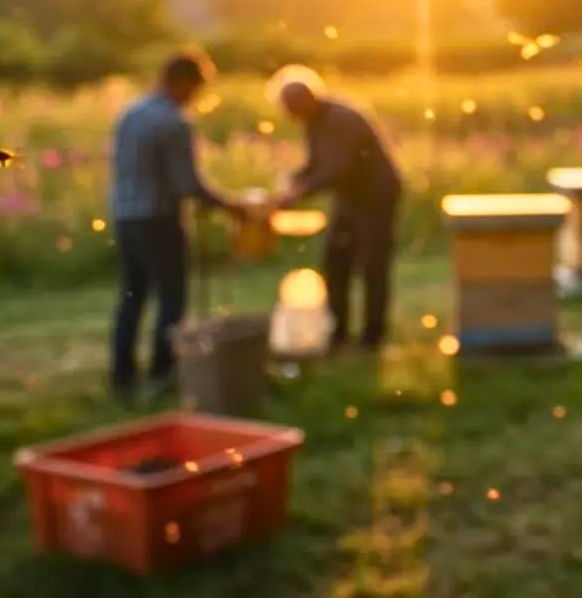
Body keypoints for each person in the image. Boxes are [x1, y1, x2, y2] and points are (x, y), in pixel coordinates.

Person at [108, 50, 243, 404]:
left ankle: (121, 375)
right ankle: (162, 371)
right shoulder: (173, 122)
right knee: (172, 297)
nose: (195, 98)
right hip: (158, 219)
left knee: (132, 296)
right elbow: (188, 186)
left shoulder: (130, 114)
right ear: (184, 83)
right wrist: (230, 206)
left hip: (125, 216)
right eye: (196, 90)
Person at [268, 65, 404, 351]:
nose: (290, 116)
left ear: (306, 98)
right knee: (335, 261)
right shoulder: (315, 122)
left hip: (374, 197)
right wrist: (295, 178)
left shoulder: (340, 119)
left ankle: (373, 337)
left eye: (291, 108)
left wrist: (299, 193)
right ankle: (338, 332)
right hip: (349, 198)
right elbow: (317, 164)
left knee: (372, 264)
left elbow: (337, 169)